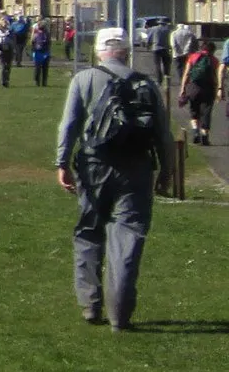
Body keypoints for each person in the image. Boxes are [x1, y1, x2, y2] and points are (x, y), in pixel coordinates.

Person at [56, 26, 176, 331]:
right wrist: (167, 170)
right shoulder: (146, 84)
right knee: (127, 237)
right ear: (126, 51)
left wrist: (62, 162)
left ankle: (90, 303)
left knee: (89, 231)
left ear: (99, 51)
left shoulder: (84, 79)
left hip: (94, 165)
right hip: (136, 168)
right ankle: (120, 313)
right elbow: (163, 133)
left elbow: (69, 124)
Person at [178, 38, 218, 146]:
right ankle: (205, 135)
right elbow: (215, 76)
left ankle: (195, 131)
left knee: (194, 111)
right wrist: (218, 88)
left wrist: (183, 89)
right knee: (206, 112)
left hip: (193, 87)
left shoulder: (193, 57)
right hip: (209, 89)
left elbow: (186, 74)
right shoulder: (214, 60)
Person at [29, 20, 52, 86]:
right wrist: (33, 51)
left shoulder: (47, 34)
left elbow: (49, 43)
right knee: (38, 68)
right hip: (38, 52)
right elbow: (33, 43)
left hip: (44, 52)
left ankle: (43, 82)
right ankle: (37, 81)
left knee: (44, 68)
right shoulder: (36, 34)